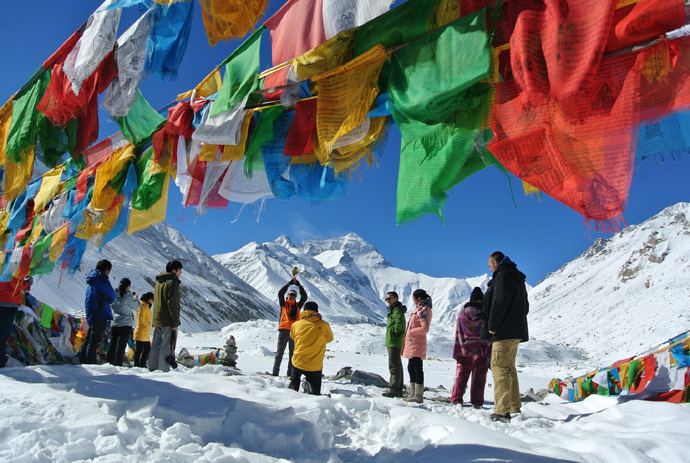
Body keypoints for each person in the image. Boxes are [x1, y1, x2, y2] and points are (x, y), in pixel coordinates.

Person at [481, 251, 529, 423]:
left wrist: (493, 326)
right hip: (517, 331)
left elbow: (498, 302)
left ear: (495, 263)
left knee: (498, 367)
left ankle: (502, 411)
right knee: (509, 367)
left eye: (489, 266)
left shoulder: (502, 276)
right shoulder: (517, 278)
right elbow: (526, 306)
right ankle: (514, 405)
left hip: (504, 331)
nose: (490, 270)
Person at [451, 287, 492, 408]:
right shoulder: (485, 314)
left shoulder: (462, 313)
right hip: (481, 349)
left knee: (462, 375)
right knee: (479, 376)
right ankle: (477, 401)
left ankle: (456, 399)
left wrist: (459, 348)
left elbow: (459, 332)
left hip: (465, 349)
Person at [289, 301, 333, 395]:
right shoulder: (324, 325)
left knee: (292, 390)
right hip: (315, 365)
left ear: (304, 311)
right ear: (317, 311)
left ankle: (293, 390)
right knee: (315, 393)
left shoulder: (296, 325)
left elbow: (293, 337)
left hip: (298, 361)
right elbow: (329, 339)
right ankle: (312, 390)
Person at [79, 260, 117, 365]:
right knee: (94, 342)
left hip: (92, 313)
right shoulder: (101, 280)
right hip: (100, 313)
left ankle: (83, 360)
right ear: (106, 270)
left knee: (89, 340)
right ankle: (90, 363)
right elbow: (112, 297)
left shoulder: (93, 279)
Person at [149, 260, 182, 372]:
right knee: (166, 346)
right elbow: (172, 303)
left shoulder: (159, 282)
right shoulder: (172, 282)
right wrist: (175, 322)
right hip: (168, 320)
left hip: (158, 318)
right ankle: (163, 371)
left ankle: (153, 368)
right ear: (174, 271)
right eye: (179, 270)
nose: (180, 273)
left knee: (156, 345)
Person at [401, 289, 433, 403]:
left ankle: (418, 395)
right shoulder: (419, 309)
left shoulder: (423, 310)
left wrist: (411, 332)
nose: (413, 300)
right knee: (411, 367)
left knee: (417, 368)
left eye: (414, 298)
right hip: (412, 342)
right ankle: (412, 393)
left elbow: (425, 328)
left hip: (416, 343)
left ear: (419, 298)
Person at [272, 278, 307, 377]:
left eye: (294, 295)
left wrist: (299, 286)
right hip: (283, 330)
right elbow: (280, 293)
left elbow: (305, 297)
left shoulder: (298, 306)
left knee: (293, 354)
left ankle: (290, 373)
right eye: (290, 294)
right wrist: (289, 284)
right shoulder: (283, 304)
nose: (292, 296)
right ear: (288, 296)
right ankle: (275, 372)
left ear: (296, 297)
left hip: (294, 332)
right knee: (279, 353)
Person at [106, 278, 139, 366]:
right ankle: (118, 364)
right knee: (121, 346)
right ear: (128, 286)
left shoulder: (114, 294)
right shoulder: (128, 295)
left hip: (115, 322)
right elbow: (137, 307)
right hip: (125, 323)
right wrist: (135, 299)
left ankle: (109, 363)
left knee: (112, 344)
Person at [0, 277, 31, 368]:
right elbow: (15, 285)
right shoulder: (12, 265)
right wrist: (27, 283)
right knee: (2, 335)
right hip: (8, 302)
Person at [382, 291, 407, 398]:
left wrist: (396, 332)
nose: (387, 301)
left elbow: (399, 322)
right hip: (393, 340)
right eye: (386, 299)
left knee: (393, 365)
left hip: (394, 340)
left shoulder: (396, 310)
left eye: (389, 298)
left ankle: (394, 389)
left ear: (395, 299)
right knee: (396, 364)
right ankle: (398, 388)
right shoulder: (395, 309)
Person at [133, 292, 154, 368]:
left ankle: (142, 363)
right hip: (142, 331)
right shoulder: (143, 306)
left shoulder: (146, 306)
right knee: (140, 349)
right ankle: (138, 364)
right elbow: (141, 317)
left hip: (144, 332)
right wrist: (147, 325)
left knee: (146, 348)